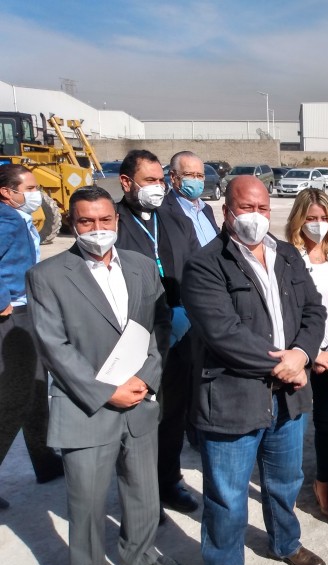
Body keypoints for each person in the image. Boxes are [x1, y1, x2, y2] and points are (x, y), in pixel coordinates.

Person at [25, 186, 178, 565]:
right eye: (87, 222)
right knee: (87, 503)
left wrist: (147, 377)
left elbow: (159, 325)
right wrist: (106, 391)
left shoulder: (143, 266)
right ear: (73, 224)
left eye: (105, 220)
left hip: (141, 399)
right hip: (87, 407)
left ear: (117, 220)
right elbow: (54, 347)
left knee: (143, 489)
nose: (97, 229)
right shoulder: (47, 276)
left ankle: (138, 551)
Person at [182, 175, 327, 565]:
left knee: (285, 481)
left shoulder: (286, 256)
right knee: (227, 498)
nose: (256, 217)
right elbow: (222, 333)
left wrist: (302, 353)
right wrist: (287, 365)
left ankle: (286, 544)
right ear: (228, 211)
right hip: (233, 397)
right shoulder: (205, 264)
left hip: (288, 396)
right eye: (247, 209)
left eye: (263, 208)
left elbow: (314, 311)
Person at [116, 149, 201, 516]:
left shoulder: (173, 218)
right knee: (138, 420)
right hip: (135, 336)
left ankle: (168, 481)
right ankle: (140, 496)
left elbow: (198, 264)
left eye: (160, 180)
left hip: (180, 333)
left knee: (173, 413)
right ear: (126, 182)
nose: (158, 188)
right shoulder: (113, 221)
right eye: (149, 181)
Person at [284, 188, 328, 519]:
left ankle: (322, 482)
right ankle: (285, 486)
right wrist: (308, 355)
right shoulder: (285, 259)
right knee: (290, 423)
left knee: (326, 423)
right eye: (311, 218)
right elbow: (281, 316)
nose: (317, 224)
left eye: (323, 218)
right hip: (296, 358)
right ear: (299, 219)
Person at [0, 164, 63, 508]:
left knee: (38, 387)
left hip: (30, 308)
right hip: (13, 315)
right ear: (7, 192)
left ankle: (45, 460)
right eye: (31, 186)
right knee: (14, 396)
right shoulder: (3, 220)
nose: (38, 193)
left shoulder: (18, 218)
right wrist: (2, 301)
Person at [163, 151, 219, 247]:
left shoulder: (207, 209)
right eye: (189, 175)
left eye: (200, 176)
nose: (196, 180)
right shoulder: (163, 210)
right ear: (173, 177)